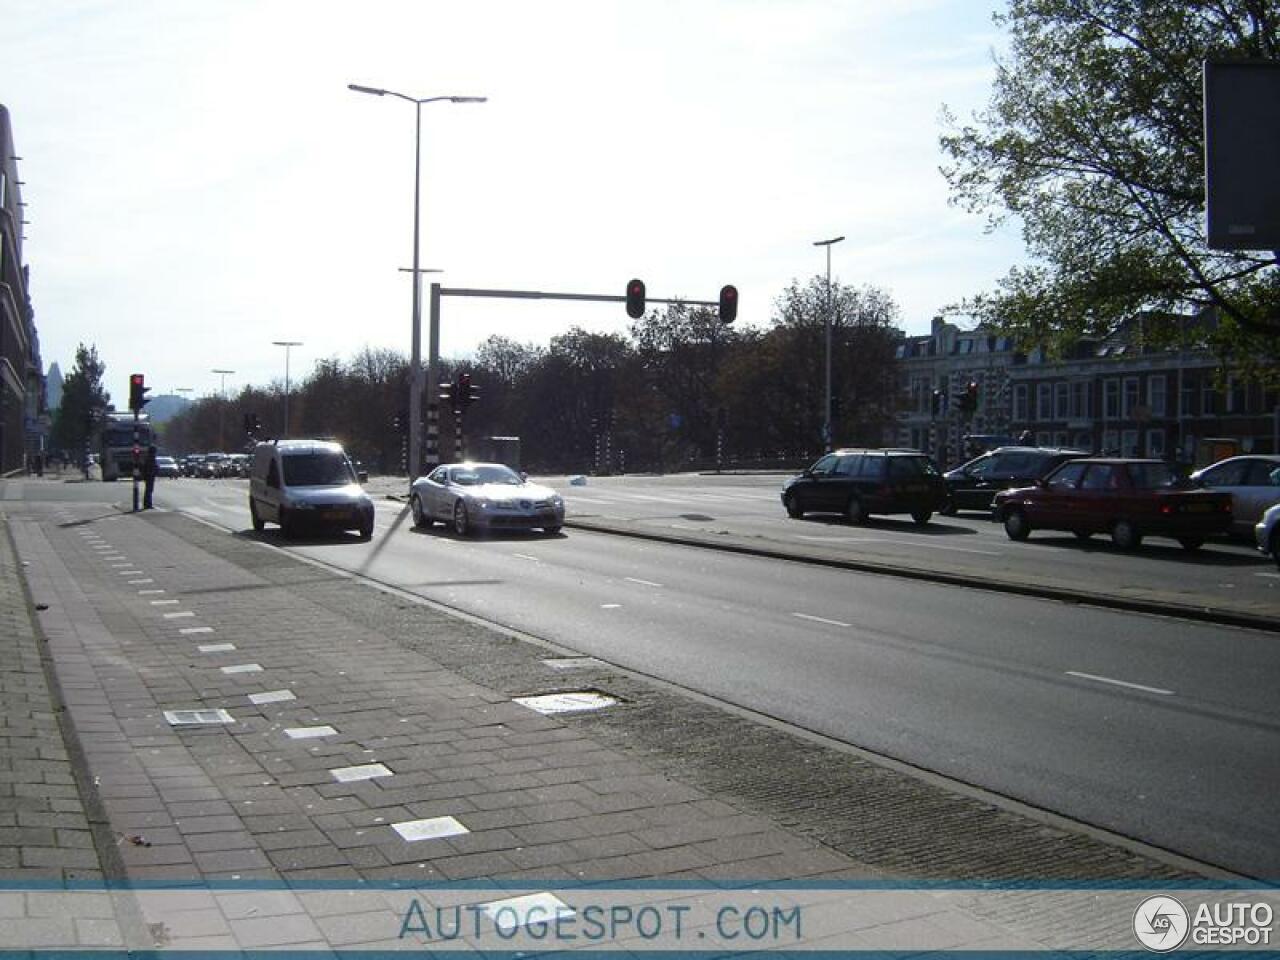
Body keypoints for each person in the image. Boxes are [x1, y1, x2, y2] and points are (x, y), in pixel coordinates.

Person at [142, 444, 158, 509]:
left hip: (148, 475)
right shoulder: (151, 458)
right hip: (150, 475)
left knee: (148, 490)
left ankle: (147, 503)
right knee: (149, 490)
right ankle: (148, 504)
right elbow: (152, 467)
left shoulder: (148, 457)